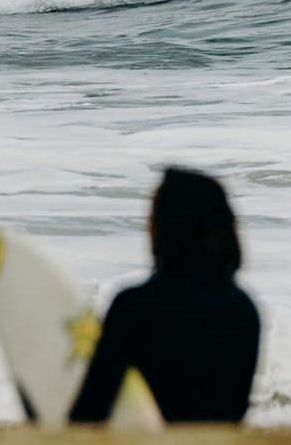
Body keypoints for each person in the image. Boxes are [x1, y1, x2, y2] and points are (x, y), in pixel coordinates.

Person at [69, 166, 260, 425]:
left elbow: (89, 413)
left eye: (152, 214)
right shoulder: (244, 308)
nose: (146, 223)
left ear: (165, 226)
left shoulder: (134, 307)